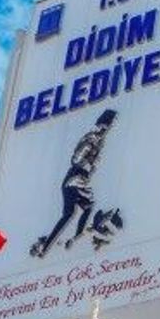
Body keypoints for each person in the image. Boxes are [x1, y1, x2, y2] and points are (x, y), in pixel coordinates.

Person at [30, 109, 118, 258]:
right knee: (71, 213)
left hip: (78, 180)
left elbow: (90, 161)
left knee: (82, 209)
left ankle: (70, 239)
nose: (108, 128)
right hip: (74, 180)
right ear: (102, 124)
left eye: (109, 125)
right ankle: (47, 245)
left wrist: (90, 167)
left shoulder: (98, 140)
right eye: (108, 124)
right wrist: (87, 165)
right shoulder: (92, 138)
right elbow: (76, 159)